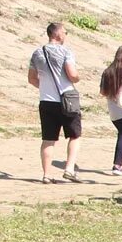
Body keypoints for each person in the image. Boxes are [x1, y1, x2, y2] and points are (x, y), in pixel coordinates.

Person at [28, 21, 82, 184]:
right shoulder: (66, 52)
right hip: (66, 99)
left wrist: (44, 87)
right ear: (57, 34)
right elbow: (72, 74)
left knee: (48, 138)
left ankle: (47, 174)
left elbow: (31, 78)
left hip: (46, 100)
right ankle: (69, 169)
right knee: (74, 135)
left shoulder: (37, 53)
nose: (65, 35)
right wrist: (78, 78)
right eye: (65, 32)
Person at [97, 45, 122, 181]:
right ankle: (117, 164)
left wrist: (113, 96)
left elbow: (102, 92)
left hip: (113, 109)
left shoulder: (108, 71)